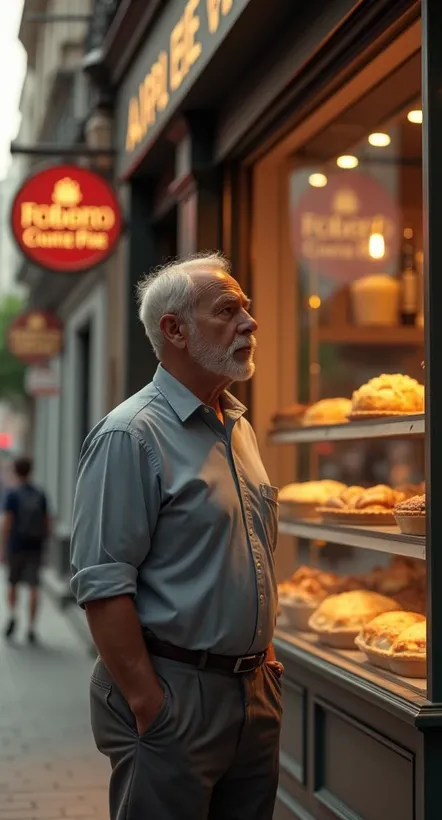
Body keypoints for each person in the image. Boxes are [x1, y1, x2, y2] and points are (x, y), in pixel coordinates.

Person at [70, 252, 282, 820]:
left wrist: (265, 660)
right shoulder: (129, 434)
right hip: (175, 694)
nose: (250, 323)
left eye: (247, 309)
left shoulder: (237, 427)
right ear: (176, 330)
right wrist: (148, 703)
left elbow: (251, 555)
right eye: (228, 310)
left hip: (254, 692)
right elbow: (102, 584)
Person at [1, 456, 49, 643]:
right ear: (30, 471)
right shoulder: (40, 494)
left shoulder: (12, 494)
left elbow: (7, 522)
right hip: (35, 546)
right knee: (34, 586)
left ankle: (13, 616)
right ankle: (31, 627)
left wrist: (2, 548)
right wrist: (44, 543)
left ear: (15, 471)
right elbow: (47, 521)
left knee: (13, 584)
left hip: (16, 545)